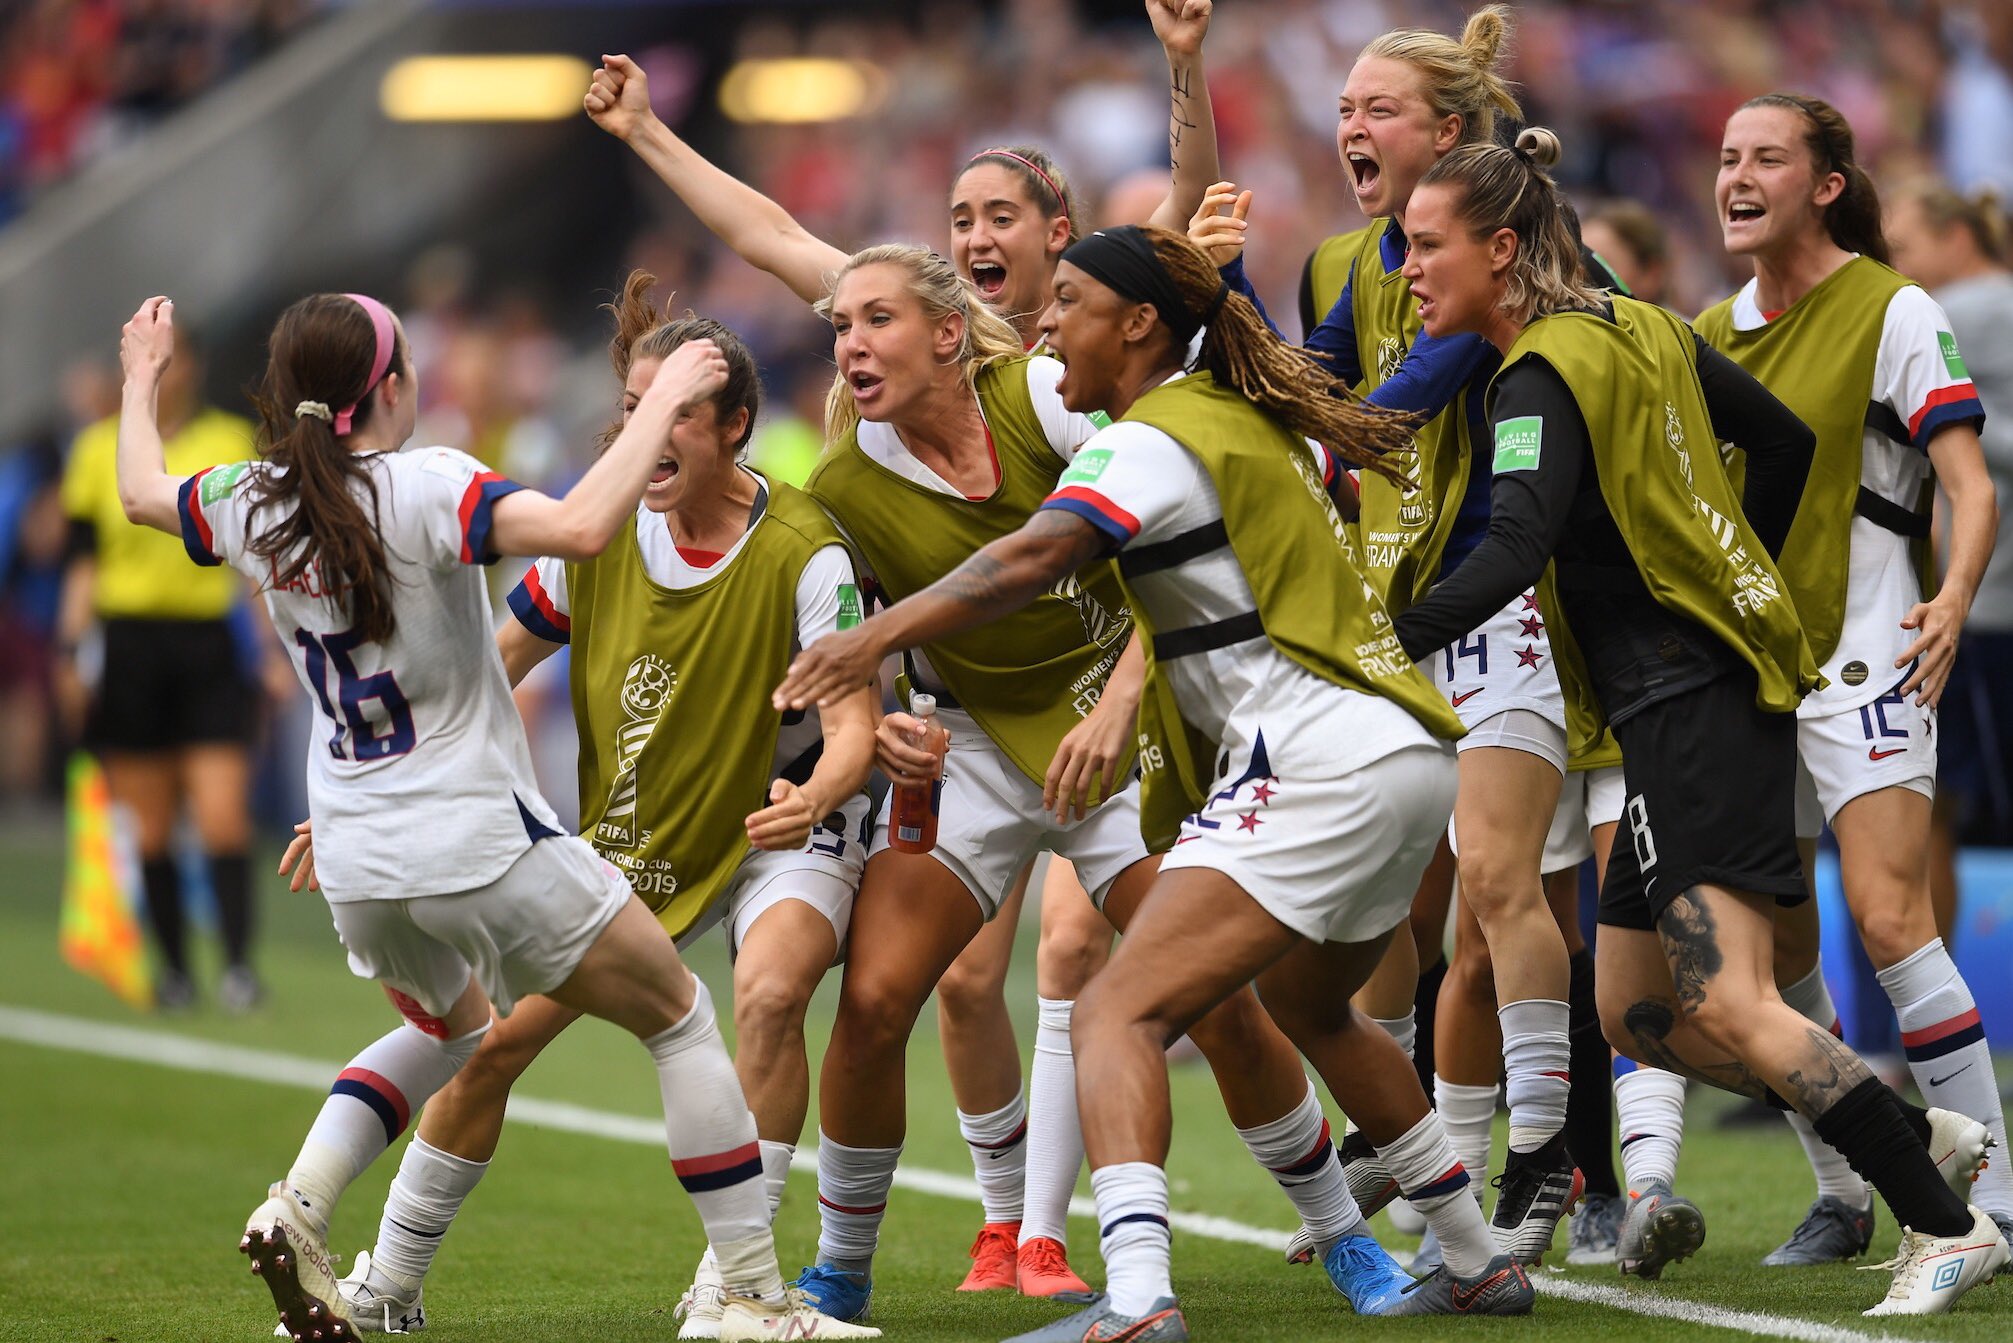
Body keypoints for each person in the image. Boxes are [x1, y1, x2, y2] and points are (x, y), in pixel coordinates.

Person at [777, 224, 1541, 1336]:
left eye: (1070, 297)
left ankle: (1136, 1300)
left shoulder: (1135, 436)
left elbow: (1032, 556)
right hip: (1403, 750)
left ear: (1136, 323)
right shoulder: (1229, 414)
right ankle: (1473, 1258)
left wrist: (868, 639)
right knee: (1313, 1006)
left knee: (1117, 1007)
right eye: (839, 321)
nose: (1042, 322)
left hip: (1309, 756)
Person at [586, 6, 1222, 1291]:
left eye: (1002, 217)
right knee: (951, 982)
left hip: (1115, 695)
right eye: (960, 221)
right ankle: (991, 1227)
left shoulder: (1074, 370)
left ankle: (1302, 1208)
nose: (976, 239)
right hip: (973, 726)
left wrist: (1184, 66)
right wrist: (650, 132)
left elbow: (1179, 225)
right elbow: (773, 240)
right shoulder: (911, 363)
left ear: (1060, 234)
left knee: (1135, 971)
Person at [113, 290, 873, 1342]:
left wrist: (140, 374)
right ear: (388, 387)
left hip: (357, 848)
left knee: (456, 1027)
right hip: (471, 832)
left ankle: (302, 1203)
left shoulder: (255, 494)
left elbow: (143, 492)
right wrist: (667, 403)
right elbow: (581, 525)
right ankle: (746, 1293)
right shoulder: (428, 484)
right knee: (679, 1015)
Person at [1396, 126, 2007, 1316]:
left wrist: (1382, 643)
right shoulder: (1651, 326)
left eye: (1426, 246)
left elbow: (1517, 543)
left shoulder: (1535, 376)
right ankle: (1910, 1129)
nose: (1408, 268)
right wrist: (1740, 579)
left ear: (1504, 249)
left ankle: (1946, 1223)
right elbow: (1779, 444)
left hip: (1686, 706)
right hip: (1693, 694)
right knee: (1640, 1011)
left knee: (1734, 997)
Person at [1195, 5, 1595, 1267]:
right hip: (1393, 618)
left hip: (1504, 603)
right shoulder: (1341, 262)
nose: (1349, 126)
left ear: (1452, 130)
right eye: (1346, 108)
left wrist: (1223, 303)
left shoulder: (1513, 268)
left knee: (1495, 892)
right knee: (1403, 921)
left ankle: (1548, 1155)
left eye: (1378, 108)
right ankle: (1438, 1173)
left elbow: (1365, 421)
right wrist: (1232, 285)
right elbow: (1301, 395)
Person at [1694, 95, 2013, 1265]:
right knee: (1774, 959)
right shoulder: (1706, 331)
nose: (1738, 175)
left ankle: (2004, 1196)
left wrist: (1954, 595)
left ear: (1827, 183)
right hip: (1748, 675)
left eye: (1767, 156)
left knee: (1887, 916)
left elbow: (1968, 486)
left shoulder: (1894, 305)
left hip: (1871, 647)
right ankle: (1842, 1190)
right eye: (1728, 157)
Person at [57, 321, 277, 1011]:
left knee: (222, 815)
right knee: (149, 824)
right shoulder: (97, 448)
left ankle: (239, 968)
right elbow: (83, 562)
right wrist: (70, 650)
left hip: (206, 641)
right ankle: (176, 970)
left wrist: (272, 647)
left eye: (179, 359)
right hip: (130, 645)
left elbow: (254, 559)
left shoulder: (229, 444)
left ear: (197, 366)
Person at [1887, 181, 2013, 916]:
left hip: (1984, 605)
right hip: (1986, 599)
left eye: (1903, 250)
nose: (1892, 268)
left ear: (1955, 241)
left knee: (1941, 809)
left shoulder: (1957, 312)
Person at [1580, 201, 1672, 308]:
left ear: (1652, 274)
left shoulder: (1682, 325)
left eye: (1600, 264)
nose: (1580, 276)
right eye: (1572, 263)